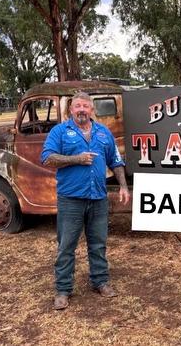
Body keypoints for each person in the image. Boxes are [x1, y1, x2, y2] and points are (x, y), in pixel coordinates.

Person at [41, 92, 130, 310]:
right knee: (66, 246)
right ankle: (63, 290)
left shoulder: (103, 132)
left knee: (98, 243)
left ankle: (100, 281)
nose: (81, 110)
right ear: (70, 110)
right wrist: (76, 159)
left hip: (98, 198)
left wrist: (124, 186)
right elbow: (48, 157)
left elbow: (116, 161)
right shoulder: (60, 131)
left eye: (85, 106)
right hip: (71, 199)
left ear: (92, 110)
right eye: (77, 106)